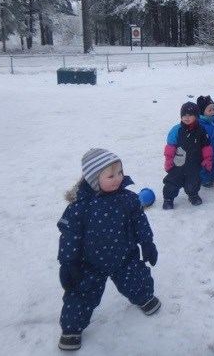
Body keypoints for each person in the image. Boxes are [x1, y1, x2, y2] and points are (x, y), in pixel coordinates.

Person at [57, 148, 160, 351]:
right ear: (95, 179)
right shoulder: (80, 207)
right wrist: (68, 262)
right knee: (80, 294)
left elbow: (140, 221)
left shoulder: (128, 199)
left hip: (124, 256)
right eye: (110, 175)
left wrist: (147, 243)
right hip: (90, 263)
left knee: (136, 277)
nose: (118, 179)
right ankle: (72, 329)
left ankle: (144, 297)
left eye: (120, 172)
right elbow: (69, 236)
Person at [162, 101, 212, 209]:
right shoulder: (176, 130)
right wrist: (168, 160)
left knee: (193, 181)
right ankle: (168, 198)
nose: (186, 117)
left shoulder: (201, 130)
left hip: (194, 164)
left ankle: (193, 195)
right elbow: (170, 147)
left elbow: (206, 147)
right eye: (184, 115)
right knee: (172, 182)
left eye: (190, 115)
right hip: (177, 164)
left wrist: (207, 159)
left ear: (197, 116)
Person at [196, 95, 214, 187]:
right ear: (202, 111)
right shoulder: (199, 124)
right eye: (210, 110)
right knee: (205, 166)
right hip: (206, 151)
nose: (213, 112)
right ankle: (205, 179)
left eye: (213, 109)